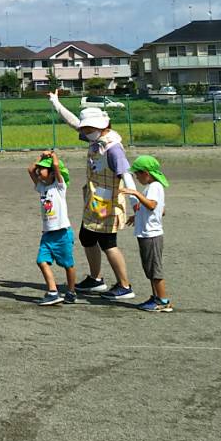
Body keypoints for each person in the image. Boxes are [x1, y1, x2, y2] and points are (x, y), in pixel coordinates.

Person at [49, 89, 136, 300]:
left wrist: (136, 203)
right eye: (85, 128)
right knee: (87, 237)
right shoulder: (96, 140)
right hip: (95, 199)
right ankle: (96, 279)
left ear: (102, 126)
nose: (85, 131)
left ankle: (124, 286)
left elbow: (126, 174)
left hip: (108, 202)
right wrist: (56, 103)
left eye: (89, 128)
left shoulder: (113, 148)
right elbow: (73, 123)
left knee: (108, 243)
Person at [120, 154, 172, 312]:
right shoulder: (152, 187)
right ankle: (156, 297)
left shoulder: (154, 187)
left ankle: (163, 301)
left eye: (137, 174)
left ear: (146, 173)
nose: (136, 177)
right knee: (150, 269)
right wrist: (138, 215)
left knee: (155, 270)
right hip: (147, 234)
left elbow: (151, 205)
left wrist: (135, 193)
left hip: (152, 235)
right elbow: (160, 210)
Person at [30, 151, 77, 306]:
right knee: (41, 261)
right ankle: (52, 291)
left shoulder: (59, 187)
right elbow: (30, 169)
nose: (38, 171)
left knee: (68, 264)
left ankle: (71, 291)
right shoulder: (41, 187)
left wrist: (52, 154)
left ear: (51, 173)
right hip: (48, 234)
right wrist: (41, 158)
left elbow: (56, 165)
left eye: (43, 169)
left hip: (62, 233)